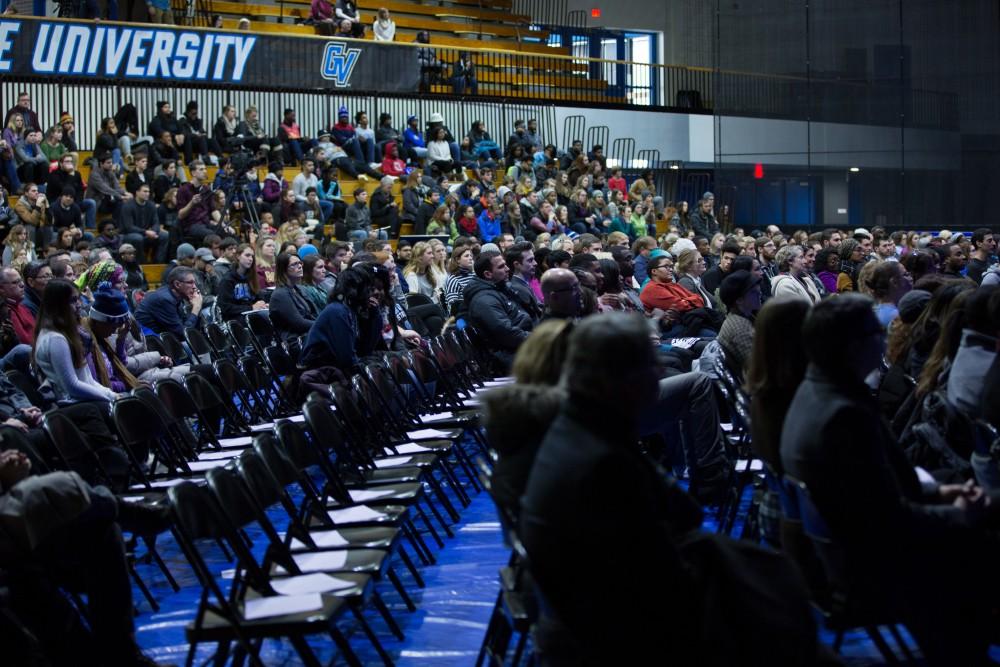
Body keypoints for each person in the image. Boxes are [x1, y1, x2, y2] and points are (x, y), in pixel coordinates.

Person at [520, 312, 816, 665]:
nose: (659, 373)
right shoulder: (602, 459)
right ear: (621, 378)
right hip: (611, 629)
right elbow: (667, 562)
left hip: (593, 610)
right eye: (650, 365)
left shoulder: (583, 430)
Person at [782, 293, 1000, 665]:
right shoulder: (844, 415)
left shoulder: (816, 390)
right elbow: (888, 523)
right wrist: (958, 513)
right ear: (852, 346)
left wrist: (942, 492)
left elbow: (873, 498)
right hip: (871, 571)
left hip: (843, 554)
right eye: (876, 334)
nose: (885, 340)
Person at [31, 279, 118, 404]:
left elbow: (87, 380)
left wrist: (113, 395)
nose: (79, 304)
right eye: (73, 300)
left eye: (78, 299)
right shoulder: (55, 339)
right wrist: (112, 398)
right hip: (76, 405)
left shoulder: (66, 333)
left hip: (87, 401)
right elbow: (72, 386)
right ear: (58, 305)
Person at [298, 265, 381, 375]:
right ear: (357, 291)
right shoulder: (338, 312)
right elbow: (347, 360)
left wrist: (374, 316)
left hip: (335, 368)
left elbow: (366, 349)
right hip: (320, 374)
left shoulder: (350, 310)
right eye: (368, 289)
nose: (372, 293)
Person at [463, 252, 533, 371]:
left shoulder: (499, 288)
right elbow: (507, 334)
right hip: (509, 357)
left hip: (521, 347)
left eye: (505, 265)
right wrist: (540, 339)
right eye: (501, 267)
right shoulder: (484, 301)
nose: (507, 269)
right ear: (488, 274)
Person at [716, 269, 762, 375]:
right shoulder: (740, 329)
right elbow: (760, 369)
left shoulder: (744, 316)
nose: (759, 292)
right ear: (739, 300)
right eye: (753, 292)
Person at [134, 266, 202, 336]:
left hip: (162, 337)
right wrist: (196, 308)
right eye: (190, 283)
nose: (194, 287)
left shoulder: (177, 296)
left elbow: (186, 326)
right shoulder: (165, 299)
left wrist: (193, 307)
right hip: (149, 341)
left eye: (194, 283)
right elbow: (183, 334)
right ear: (177, 284)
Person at [269, 251, 318, 342]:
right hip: (294, 340)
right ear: (283, 269)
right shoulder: (280, 295)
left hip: (308, 334)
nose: (299, 266)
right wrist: (323, 324)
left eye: (300, 263)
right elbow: (299, 323)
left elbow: (313, 314)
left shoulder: (299, 289)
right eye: (294, 264)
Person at [217, 243, 267, 322]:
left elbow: (259, 297)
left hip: (252, 314)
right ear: (238, 256)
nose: (250, 259)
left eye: (252, 256)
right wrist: (251, 308)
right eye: (247, 255)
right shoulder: (227, 280)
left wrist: (262, 304)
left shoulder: (252, 277)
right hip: (235, 319)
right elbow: (225, 307)